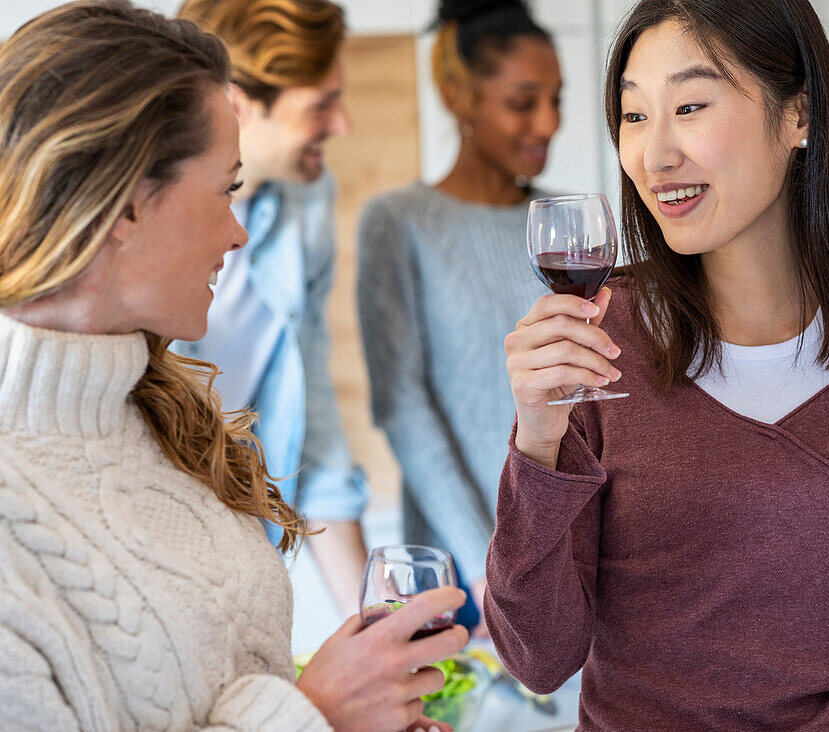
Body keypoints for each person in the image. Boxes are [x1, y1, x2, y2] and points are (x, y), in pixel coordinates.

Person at [484, 0, 829, 729]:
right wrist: (537, 443)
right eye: (634, 116)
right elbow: (537, 659)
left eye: (691, 105)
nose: (655, 153)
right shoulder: (606, 337)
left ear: (799, 115)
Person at [0, 3, 466, 730]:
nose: (238, 229)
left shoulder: (166, 421)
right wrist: (319, 715)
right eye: (224, 189)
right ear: (126, 208)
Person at [357, 0, 561, 626]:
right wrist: (486, 561)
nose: (548, 123)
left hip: (565, 552)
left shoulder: (564, 227)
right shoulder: (400, 223)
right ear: (459, 98)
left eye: (558, 100)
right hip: (461, 569)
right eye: (523, 102)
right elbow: (404, 406)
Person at [171, 0, 369, 618]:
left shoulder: (306, 201)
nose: (343, 125)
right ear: (237, 103)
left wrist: (371, 619)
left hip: (247, 544)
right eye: (320, 104)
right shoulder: (142, 225)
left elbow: (311, 421)